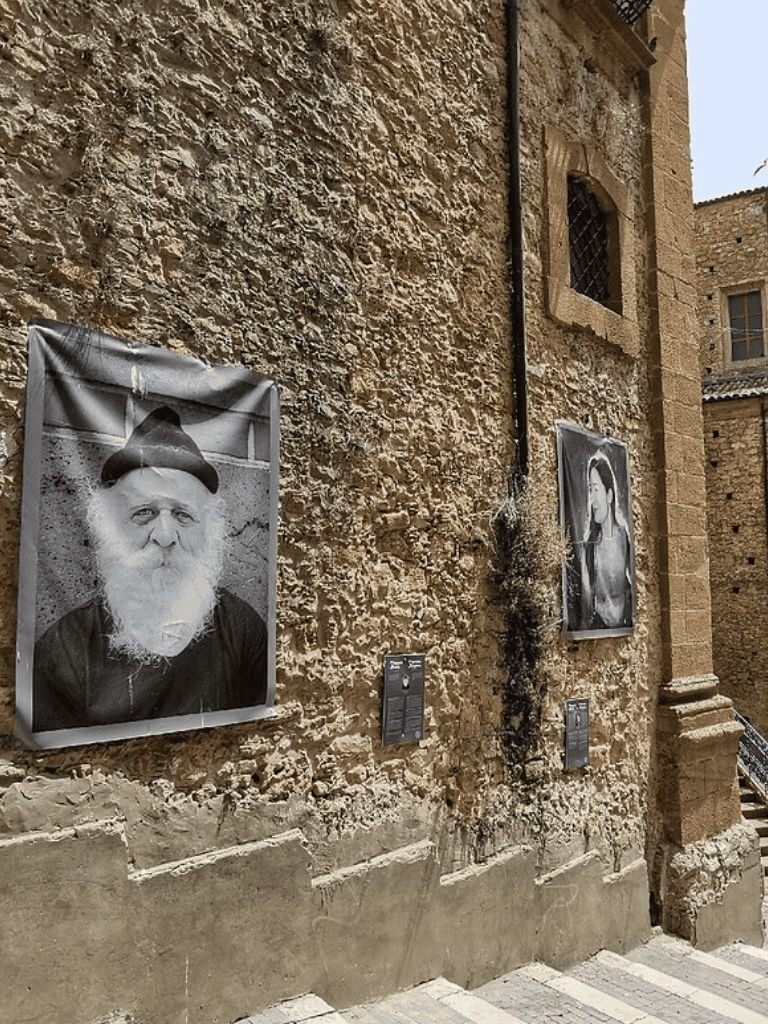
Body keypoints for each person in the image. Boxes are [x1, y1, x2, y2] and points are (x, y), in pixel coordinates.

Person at [33, 406, 268, 731]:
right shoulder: (63, 653)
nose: (166, 535)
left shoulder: (243, 632)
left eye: (184, 515)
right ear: (110, 529)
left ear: (209, 531)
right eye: (144, 512)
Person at [579, 450, 632, 630]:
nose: (592, 500)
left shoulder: (624, 536)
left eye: (595, 489)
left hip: (625, 625)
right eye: (589, 491)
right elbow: (586, 605)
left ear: (609, 495)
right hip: (600, 626)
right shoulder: (589, 546)